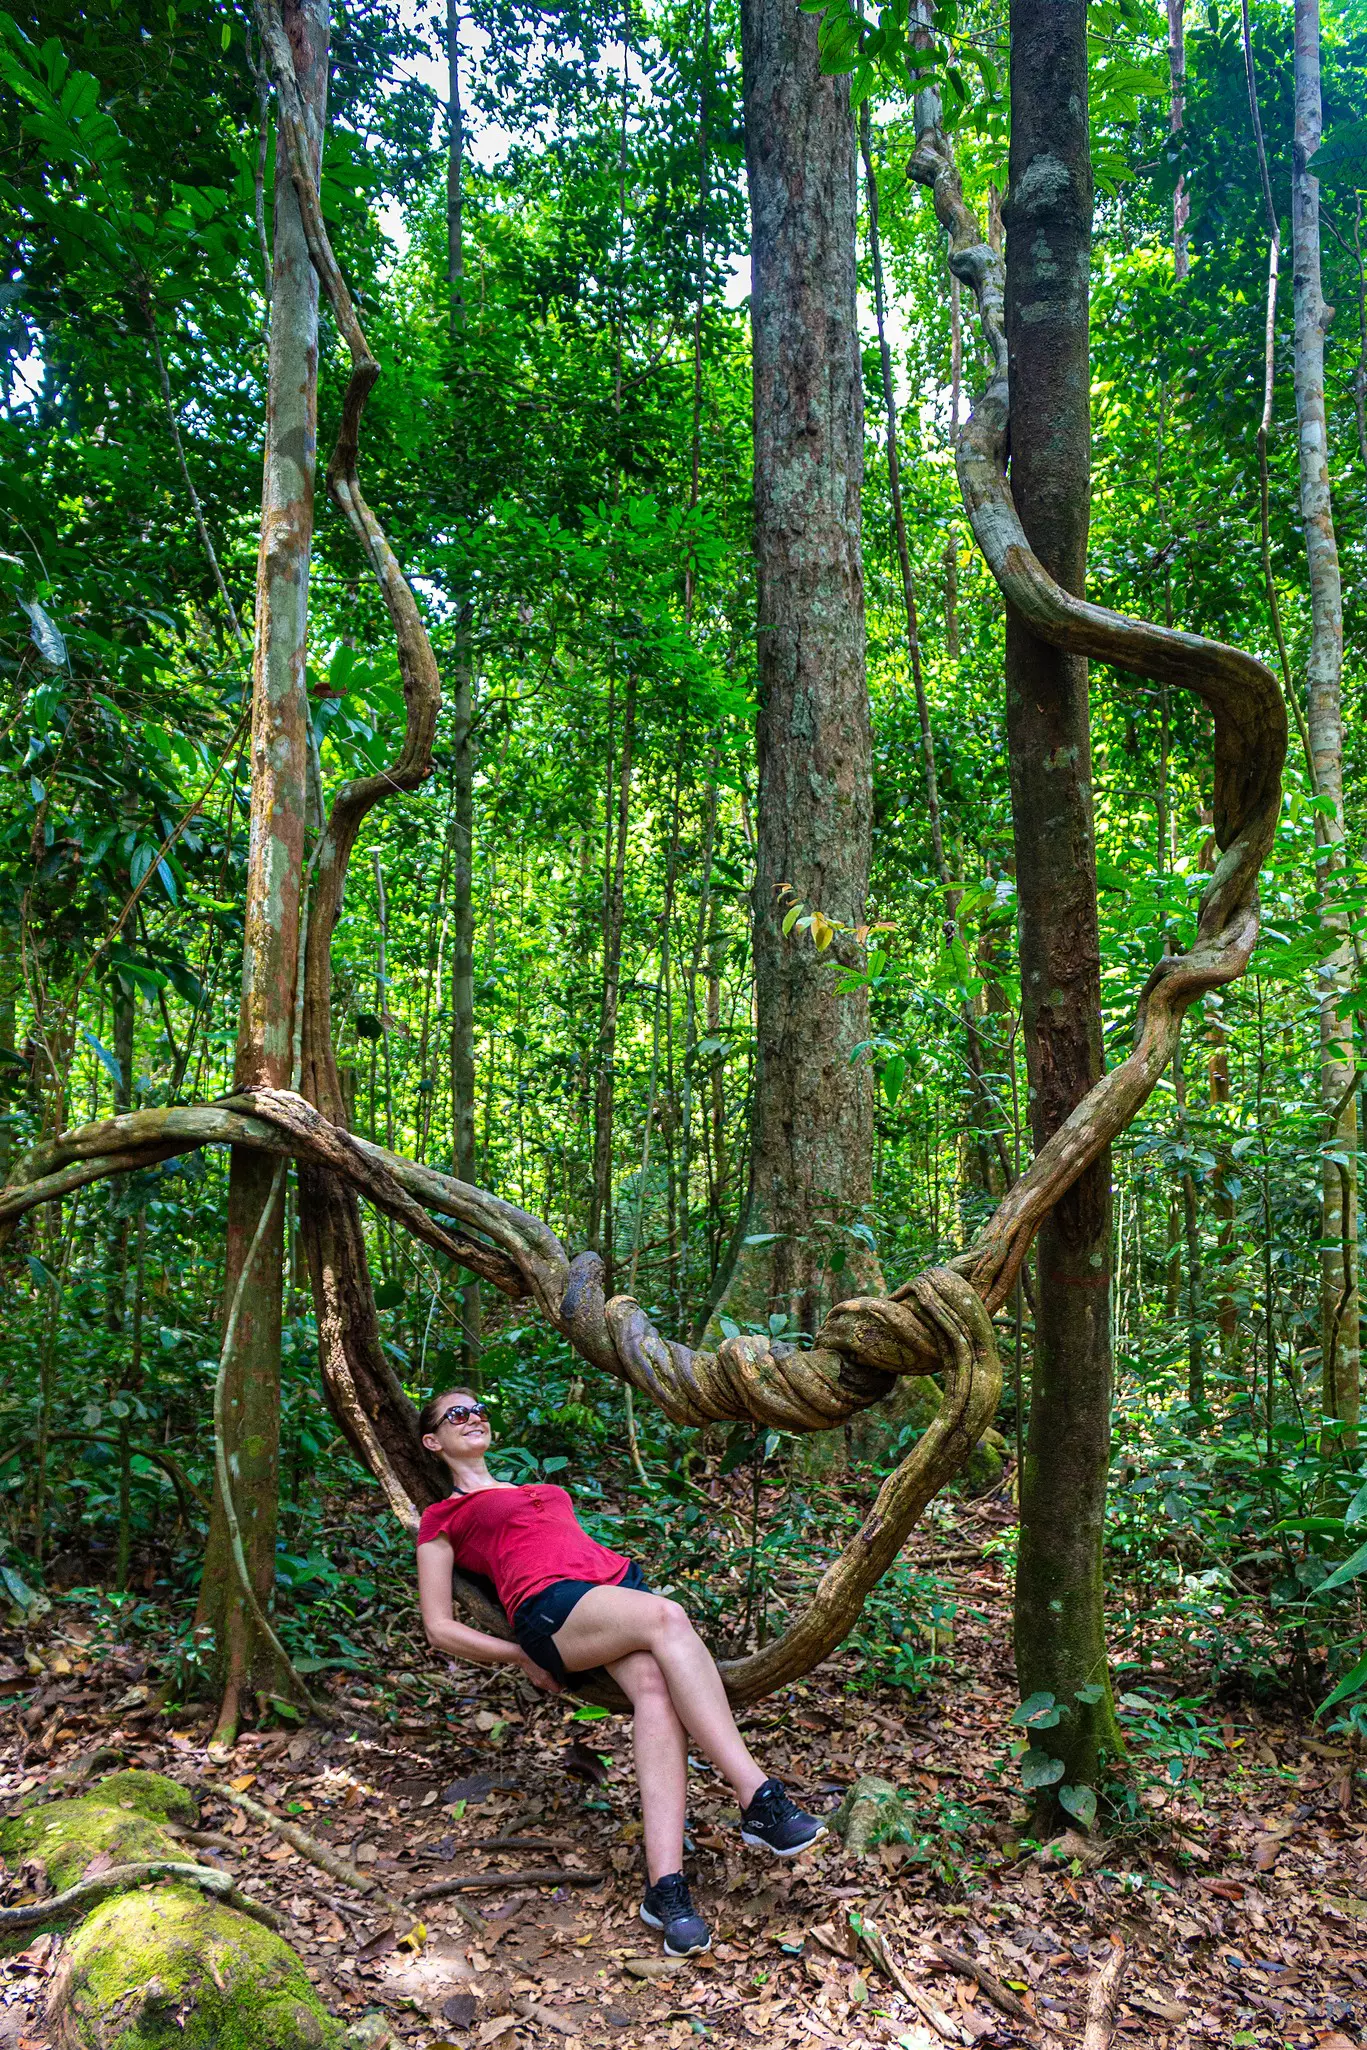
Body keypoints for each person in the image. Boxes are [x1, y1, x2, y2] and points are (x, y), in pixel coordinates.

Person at [415, 1386, 825, 1956]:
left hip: (608, 1595)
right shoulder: (443, 1516)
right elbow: (438, 1625)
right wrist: (520, 1655)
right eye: (455, 1414)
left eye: (478, 1408)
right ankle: (757, 1796)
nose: (472, 1417)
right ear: (433, 1441)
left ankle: (666, 1891)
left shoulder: (533, 1488)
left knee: (656, 1695)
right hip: (549, 1608)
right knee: (668, 1616)